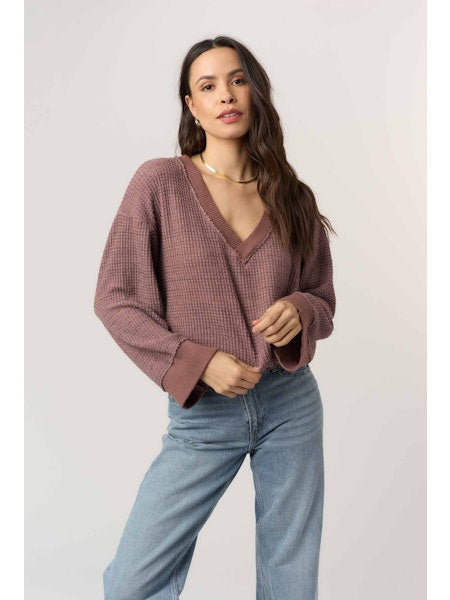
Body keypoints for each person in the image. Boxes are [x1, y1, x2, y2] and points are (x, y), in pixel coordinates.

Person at [94, 35, 336, 600]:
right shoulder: (159, 183)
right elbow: (115, 298)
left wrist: (300, 310)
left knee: (290, 578)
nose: (225, 95)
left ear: (255, 92)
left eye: (237, 80)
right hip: (203, 415)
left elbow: (323, 299)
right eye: (208, 86)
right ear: (192, 105)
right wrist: (197, 362)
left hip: (291, 404)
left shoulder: (293, 196)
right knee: (131, 583)